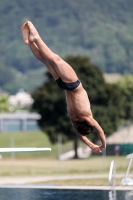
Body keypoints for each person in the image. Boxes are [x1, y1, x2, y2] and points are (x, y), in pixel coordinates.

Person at [21, 21, 106, 154]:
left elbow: (100, 131)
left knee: (56, 59)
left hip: (74, 85)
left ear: (89, 124)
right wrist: (91, 145)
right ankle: (30, 42)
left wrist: (101, 146)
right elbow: (79, 134)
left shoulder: (87, 117)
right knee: (45, 60)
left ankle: (36, 38)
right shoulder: (74, 119)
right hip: (62, 85)